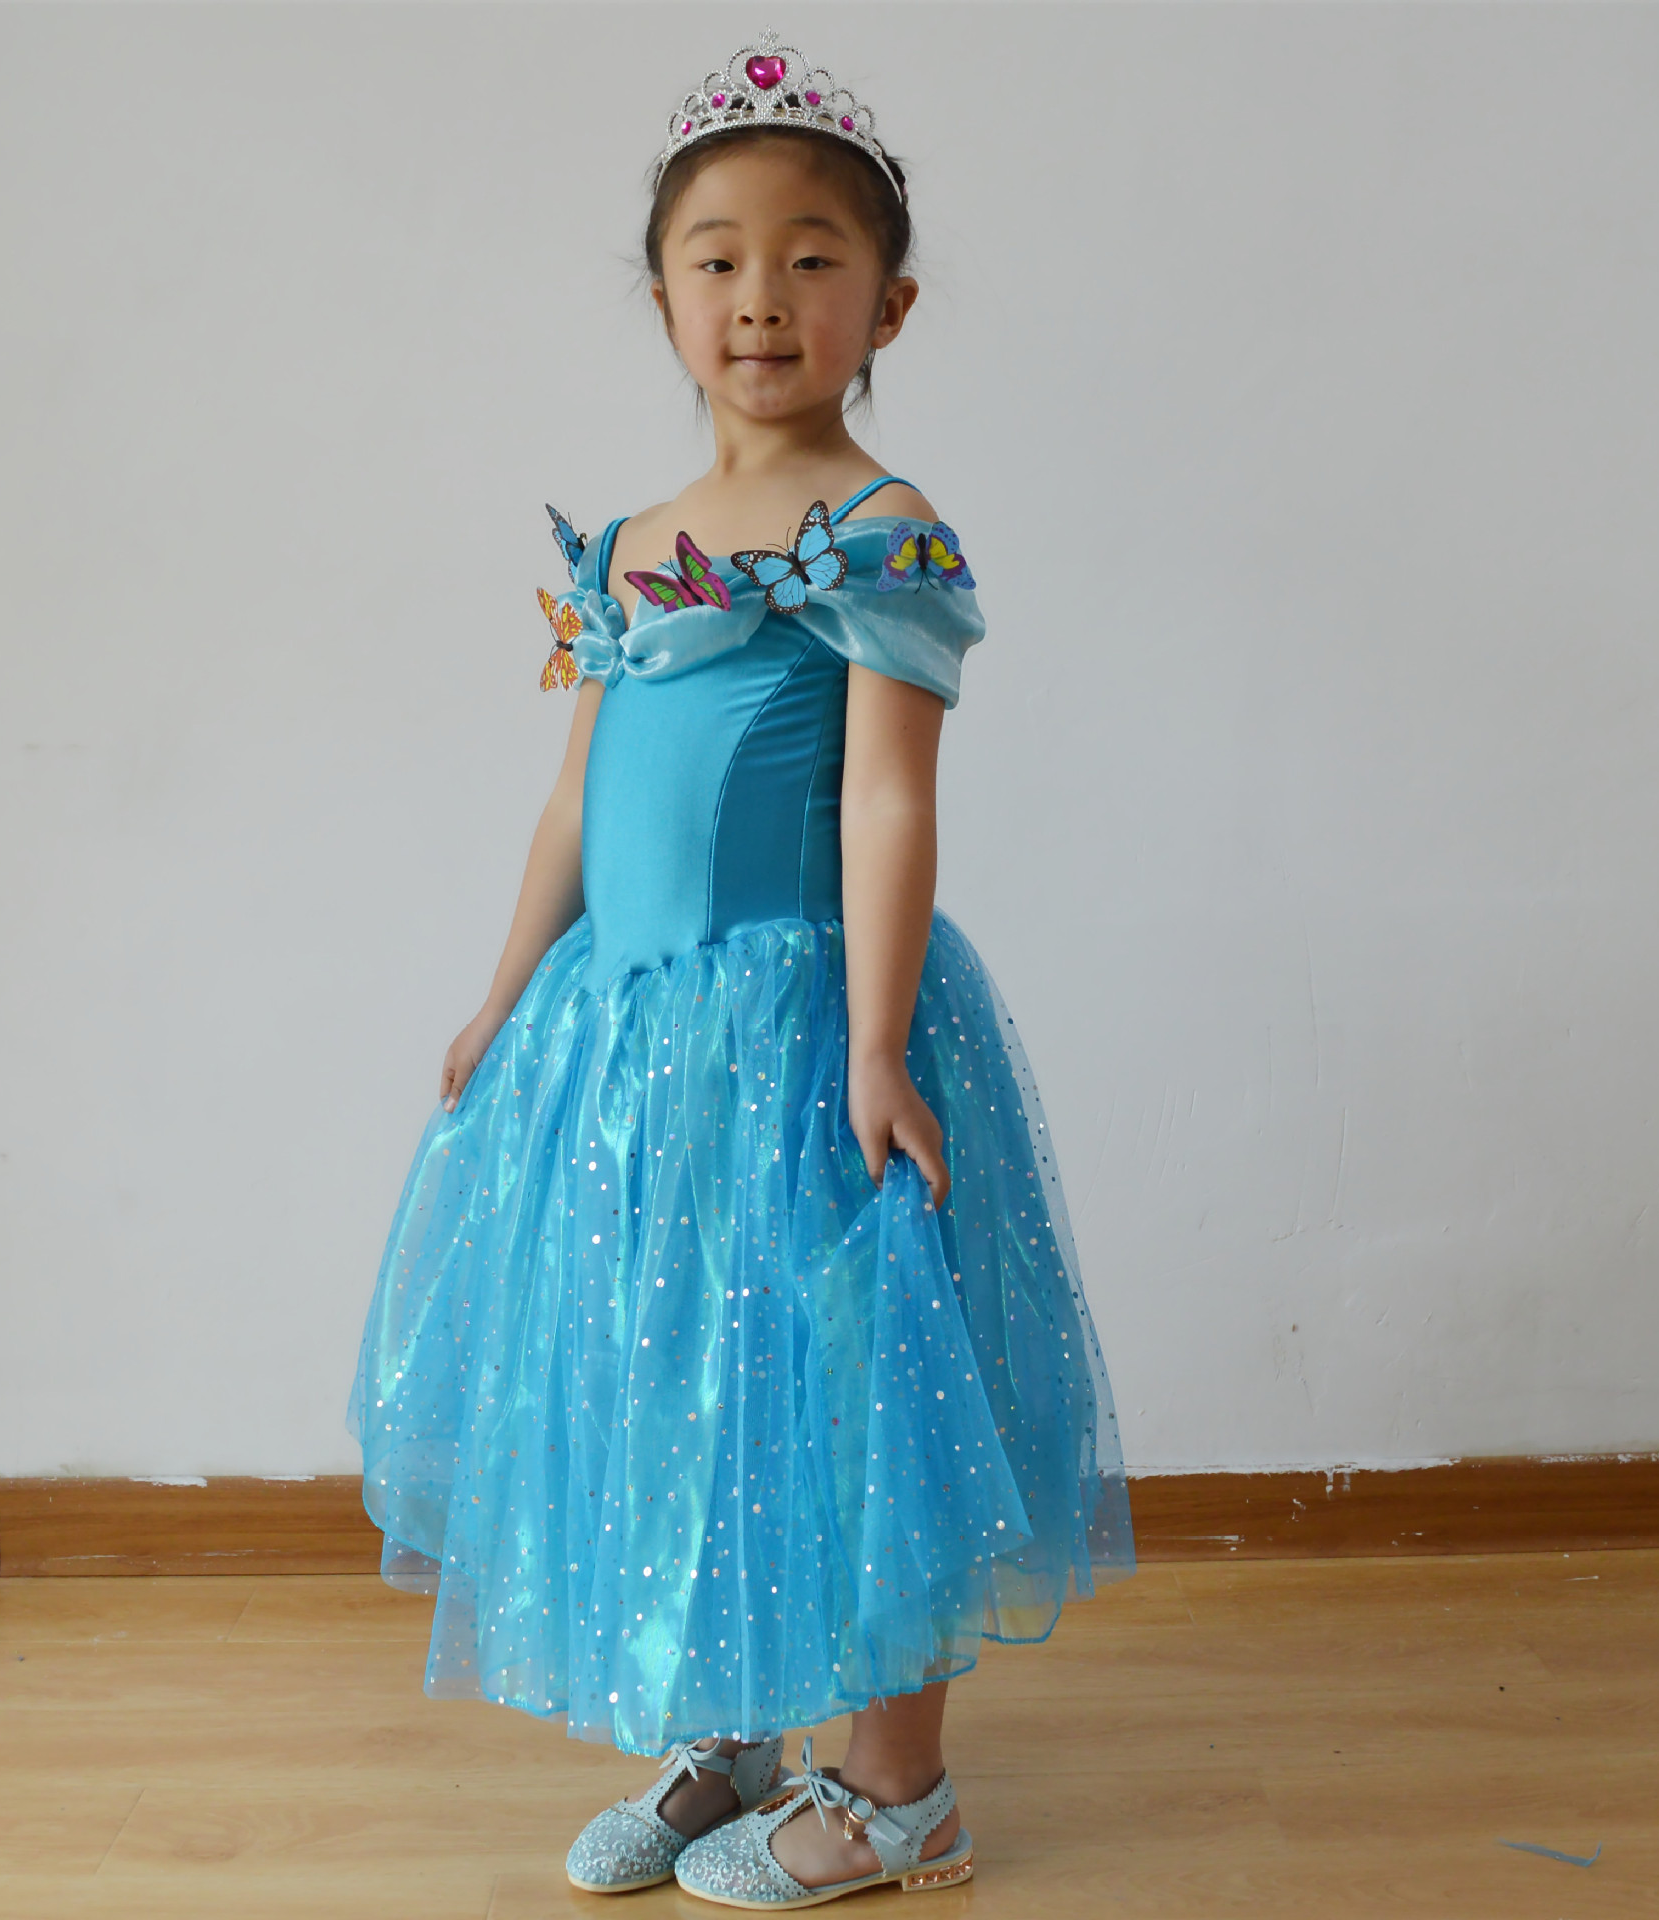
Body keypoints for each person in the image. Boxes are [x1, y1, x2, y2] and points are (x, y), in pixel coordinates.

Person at [347, 29, 1135, 1908]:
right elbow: (575, 800)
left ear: (888, 307)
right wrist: (505, 991)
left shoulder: (876, 529)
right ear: (663, 300)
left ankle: (902, 1797)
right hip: (629, 1046)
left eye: (810, 258)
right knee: (674, 1369)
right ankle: (733, 1730)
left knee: (848, 1384)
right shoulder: (631, 545)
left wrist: (875, 1040)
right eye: (717, 258)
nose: (761, 297)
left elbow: (885, 799)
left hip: (799, 1030)